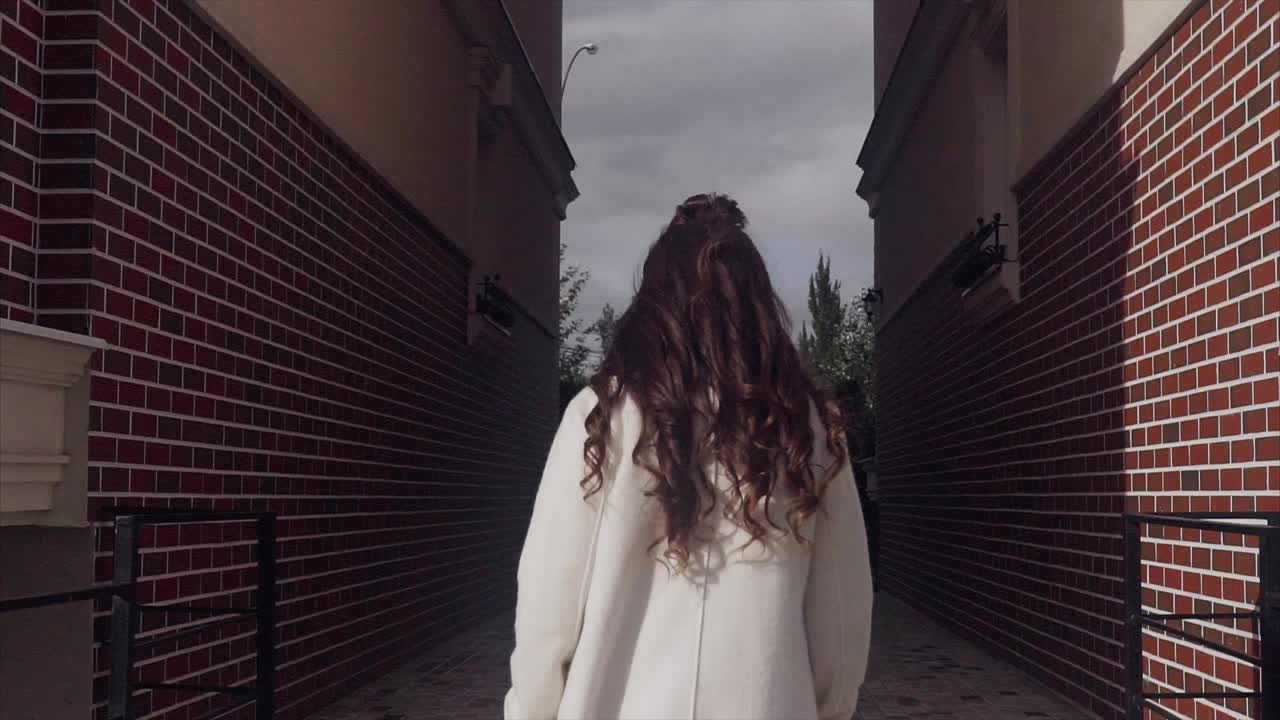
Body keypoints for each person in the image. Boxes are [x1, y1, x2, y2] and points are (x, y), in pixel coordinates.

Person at [504, 193, 874, 720]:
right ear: (758, 309)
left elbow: (549, 600)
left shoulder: (603, 416)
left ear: (653, 305)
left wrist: (532, 711)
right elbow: (842, 613)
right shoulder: (807, 429)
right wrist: (828, 709)